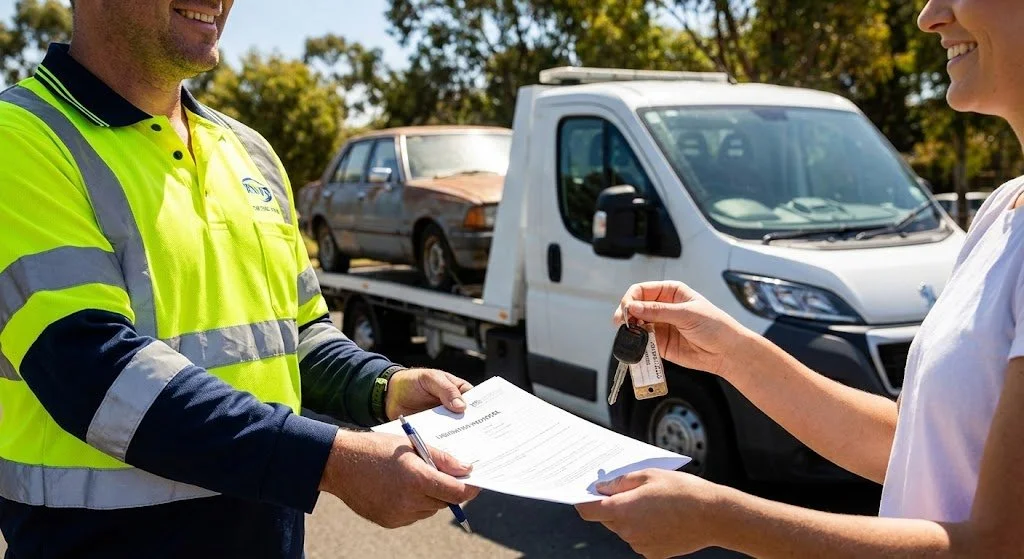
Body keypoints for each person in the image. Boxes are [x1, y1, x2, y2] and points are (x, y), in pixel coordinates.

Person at [0, 1, 479, 557]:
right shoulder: (21, 141)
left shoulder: (249, 152)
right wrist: (331, 462)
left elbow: (298, 334)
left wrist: (387, 387)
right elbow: (94, 372)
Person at [576, 0, 1024, 556]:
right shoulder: (1004, 208)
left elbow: (1000, 545)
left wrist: (724, 518)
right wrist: (729, 353)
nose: (929, 17)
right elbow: (915, 449)